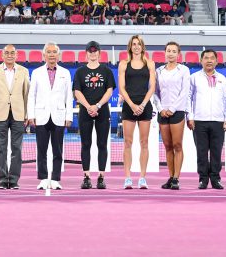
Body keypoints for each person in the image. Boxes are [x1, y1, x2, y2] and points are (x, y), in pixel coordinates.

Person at [27, 41, 73, 190]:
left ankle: (55, 179)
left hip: (59, 116)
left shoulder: (65, 73)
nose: (52, 55)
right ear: (44, 55)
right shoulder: (36, 72)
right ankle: (42, 179)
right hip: (41, 115)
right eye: (49, 52)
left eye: (54, 52)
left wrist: (69, 116)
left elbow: (69, 96)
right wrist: (31, 115)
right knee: (41, 150)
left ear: (58, 55)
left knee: (58, 151)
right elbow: (32, 95)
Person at [73, 41, 115, 189]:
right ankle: (86, 177)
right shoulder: (80, 72)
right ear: (86, 53)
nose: (92, 54)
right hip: (85, 112)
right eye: (90, 51)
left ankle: (101, 177)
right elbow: (77, 91)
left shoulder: (106, 71)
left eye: (95, 51)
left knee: (102, 144)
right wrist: (88, 107)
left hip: (102, 111)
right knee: (86, 144)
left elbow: (109, 91)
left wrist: (97, 106)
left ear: (99, 53)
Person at [0, 45, 30, 189]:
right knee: (1, 148)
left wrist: (26, 114)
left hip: (19, 114)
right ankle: (2, 179)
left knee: (17, 148)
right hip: (0, 114)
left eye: (12, 53)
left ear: (17, 55)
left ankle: (13, 180)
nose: (10, 55)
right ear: (2, 55)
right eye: (7, 53)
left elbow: (26, 94)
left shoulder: (24, 71)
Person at [118, 35, 156, 189]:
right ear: (130, 46)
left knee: (144, 142)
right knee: (127, 142)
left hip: (145, 106)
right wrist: (132, 105)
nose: (136, 46)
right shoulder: (123, 64)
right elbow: (122, 88)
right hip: (129, 106)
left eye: (139, 44)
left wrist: (143, 104)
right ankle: (127, 178)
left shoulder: (150, 64)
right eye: (134, 44)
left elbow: (152, 87)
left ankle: (142, 178)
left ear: (142, 46)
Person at [188, 49, 226, 190]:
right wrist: (190, 117)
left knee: (217, 152)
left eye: (212, 58)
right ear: (201, 61)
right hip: (199, 120)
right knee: (201, 152)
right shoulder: (194, 78)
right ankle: (203, 179)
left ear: (217, 61)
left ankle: (216, 179)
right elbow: (188, 98)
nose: (209, 60)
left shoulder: (222, 79)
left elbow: (225, 100)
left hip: (218, 121)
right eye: (206, 58)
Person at [155, 41, 190, 190]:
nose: (170, 53)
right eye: (168, 51)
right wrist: (160, 108)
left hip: (177, 112)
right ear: (165, 53)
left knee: (177, 145)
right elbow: (155, 92)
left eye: (174, 51)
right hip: (162, 113)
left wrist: (173, 108)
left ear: (178, 54)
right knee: (168, 146)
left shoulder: (184, 70)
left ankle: (176, 178)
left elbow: (185, 92)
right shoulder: (158, 71)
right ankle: (170, 177)